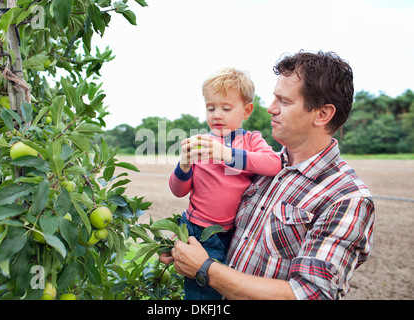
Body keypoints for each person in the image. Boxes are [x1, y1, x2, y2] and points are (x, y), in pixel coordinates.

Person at [161, 51, 375, 300]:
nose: (270, 108)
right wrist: (188, 242)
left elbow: (311, 294)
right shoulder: (263, 169)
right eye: (274, 98)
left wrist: (205, 268)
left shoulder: (347, 198)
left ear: (322, 114)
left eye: (284, 101)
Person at [169, 67, 282, 299]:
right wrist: (184, 165)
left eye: (226, 108)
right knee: (201, 293)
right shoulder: (200, 143)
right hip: (196, 228)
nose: (216, 115)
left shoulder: (251, 140)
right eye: (210, 108)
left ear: (247, 110)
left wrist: (226, 153)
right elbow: (178, 191)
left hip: (228, 234)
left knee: (221, 288)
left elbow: (274, 163)